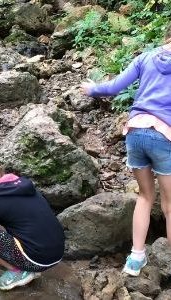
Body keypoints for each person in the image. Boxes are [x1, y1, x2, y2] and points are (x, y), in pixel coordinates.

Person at [81, 23, 171, 276]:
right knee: (169, 205)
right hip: (164, 135)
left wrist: (92, 88)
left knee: (144, 197)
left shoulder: (146, 57)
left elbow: (112, 88)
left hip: (134, 132)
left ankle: (135, 258)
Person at [0, 155, 65, 290]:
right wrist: (4, 255)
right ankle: (18, 262)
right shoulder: (23, 185)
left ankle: (19, 271)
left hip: (37, 259)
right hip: (57, 253)